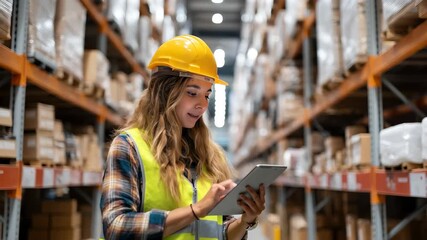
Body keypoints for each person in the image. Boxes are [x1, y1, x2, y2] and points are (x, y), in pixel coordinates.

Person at [101, 35, 266, 239]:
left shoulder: (211, 156)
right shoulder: (129, 146)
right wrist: (196, 210)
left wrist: (245, 221)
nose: (203, 105)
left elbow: (221, 232)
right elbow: (116, 227)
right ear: (164, 92)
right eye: (191, 92)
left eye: (206, 95)